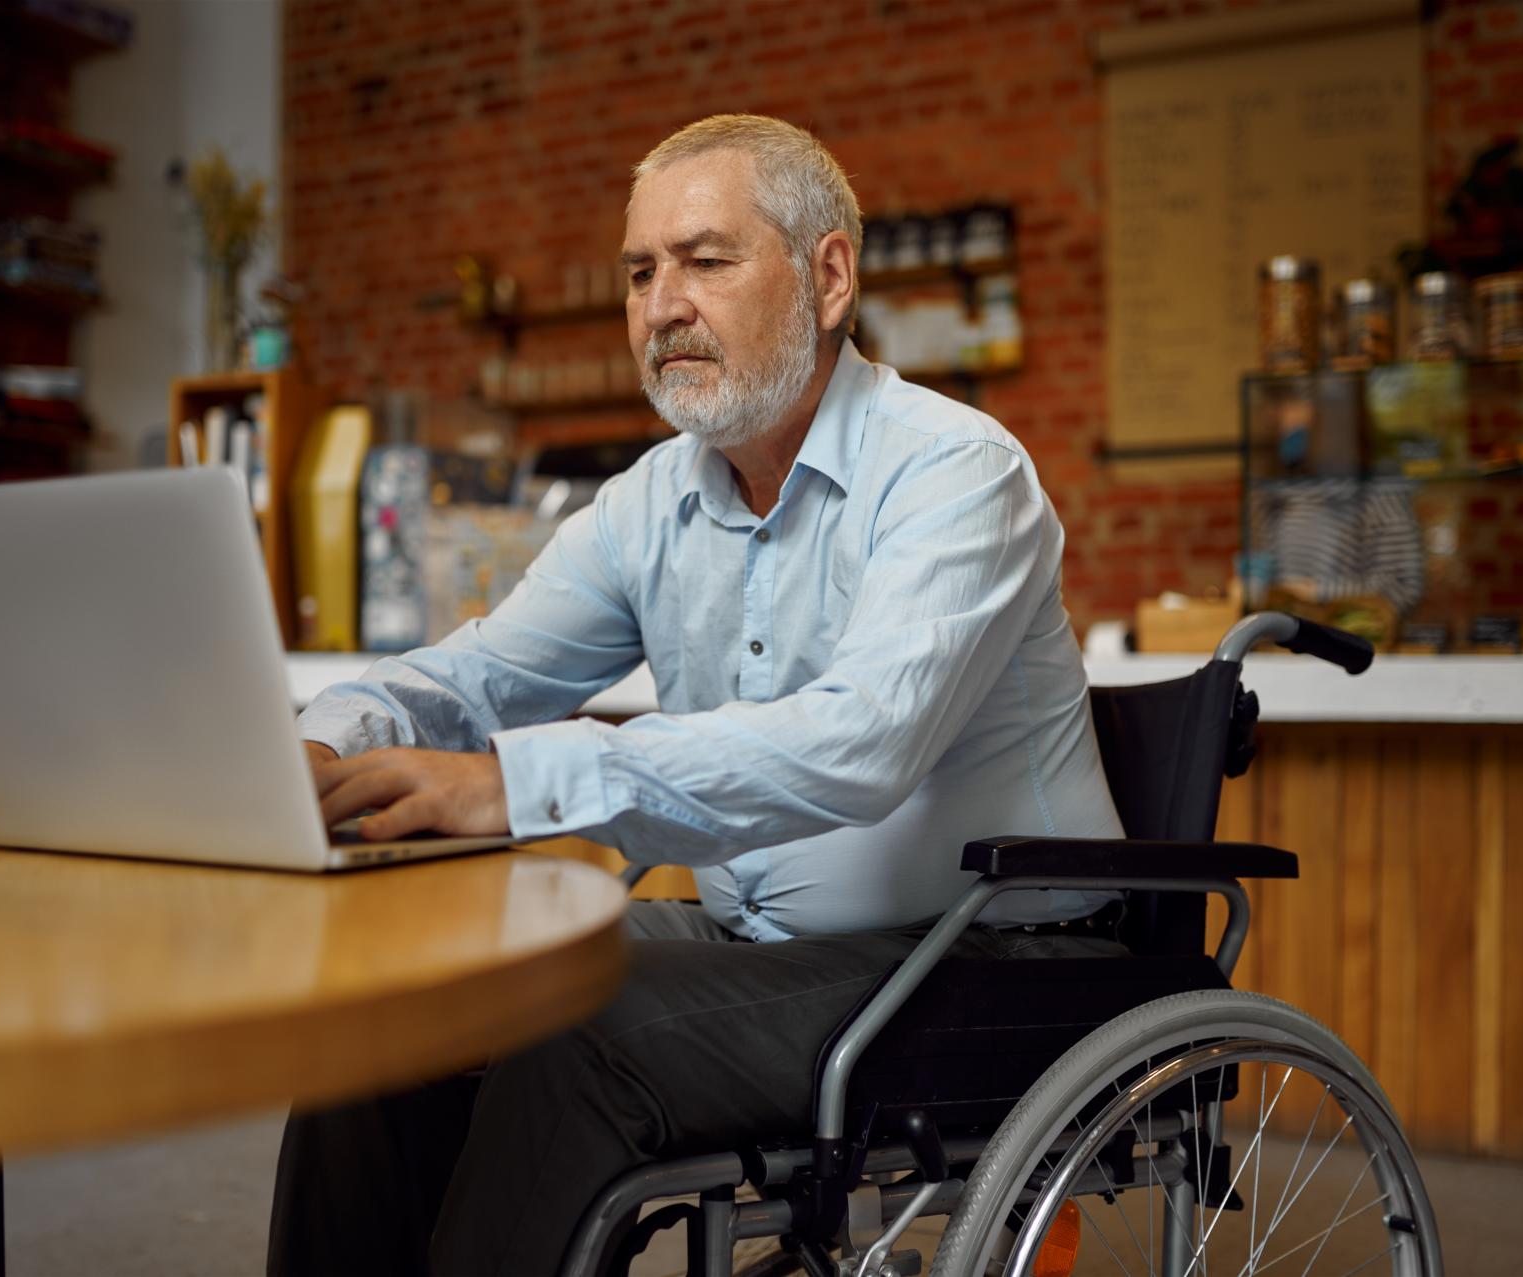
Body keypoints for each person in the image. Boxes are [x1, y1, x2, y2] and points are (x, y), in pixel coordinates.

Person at [269, 115, 1124, 1276]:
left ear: (826, 278)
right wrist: (312, 748)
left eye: (704, 259)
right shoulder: (646, 503)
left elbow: (860, 744)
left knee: (575, 1037)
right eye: (638, 271)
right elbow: (475, 678)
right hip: (761, 946)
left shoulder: (954, 470)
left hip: (981, 963)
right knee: (412, 993)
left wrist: (520, 785)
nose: (661, 303)